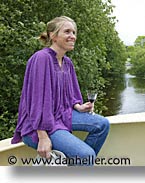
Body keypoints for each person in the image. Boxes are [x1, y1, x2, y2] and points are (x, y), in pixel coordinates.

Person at [11, 16, 110, 166]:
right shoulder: (41, 59)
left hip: (62, 114)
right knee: (87, 155)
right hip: (40, 124)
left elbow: (69, 95)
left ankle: (76, 166)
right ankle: (81, 163)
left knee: (102, 124)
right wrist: (43, 137)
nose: (73, 36)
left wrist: (78, 106)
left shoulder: (67, 62)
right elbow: (35, 101)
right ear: (53, 36)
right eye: (67, 32)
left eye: (74, 32)